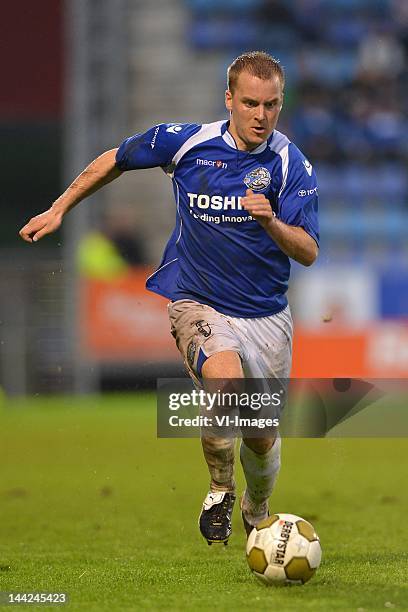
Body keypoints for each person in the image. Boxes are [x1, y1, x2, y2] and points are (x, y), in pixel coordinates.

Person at [19, 51, 319, 546]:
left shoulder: (290, 163)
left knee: (261, 437)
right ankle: (220, 489)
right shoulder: (186, 143)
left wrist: (271, 222)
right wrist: (60, 207)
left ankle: (257, 506)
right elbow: (116, 158)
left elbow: (307, 251)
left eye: (271, 105)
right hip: (196, 301)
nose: (260, 116)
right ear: (229, 99)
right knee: (224, 383)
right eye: (250, 103)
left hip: (267, 316)